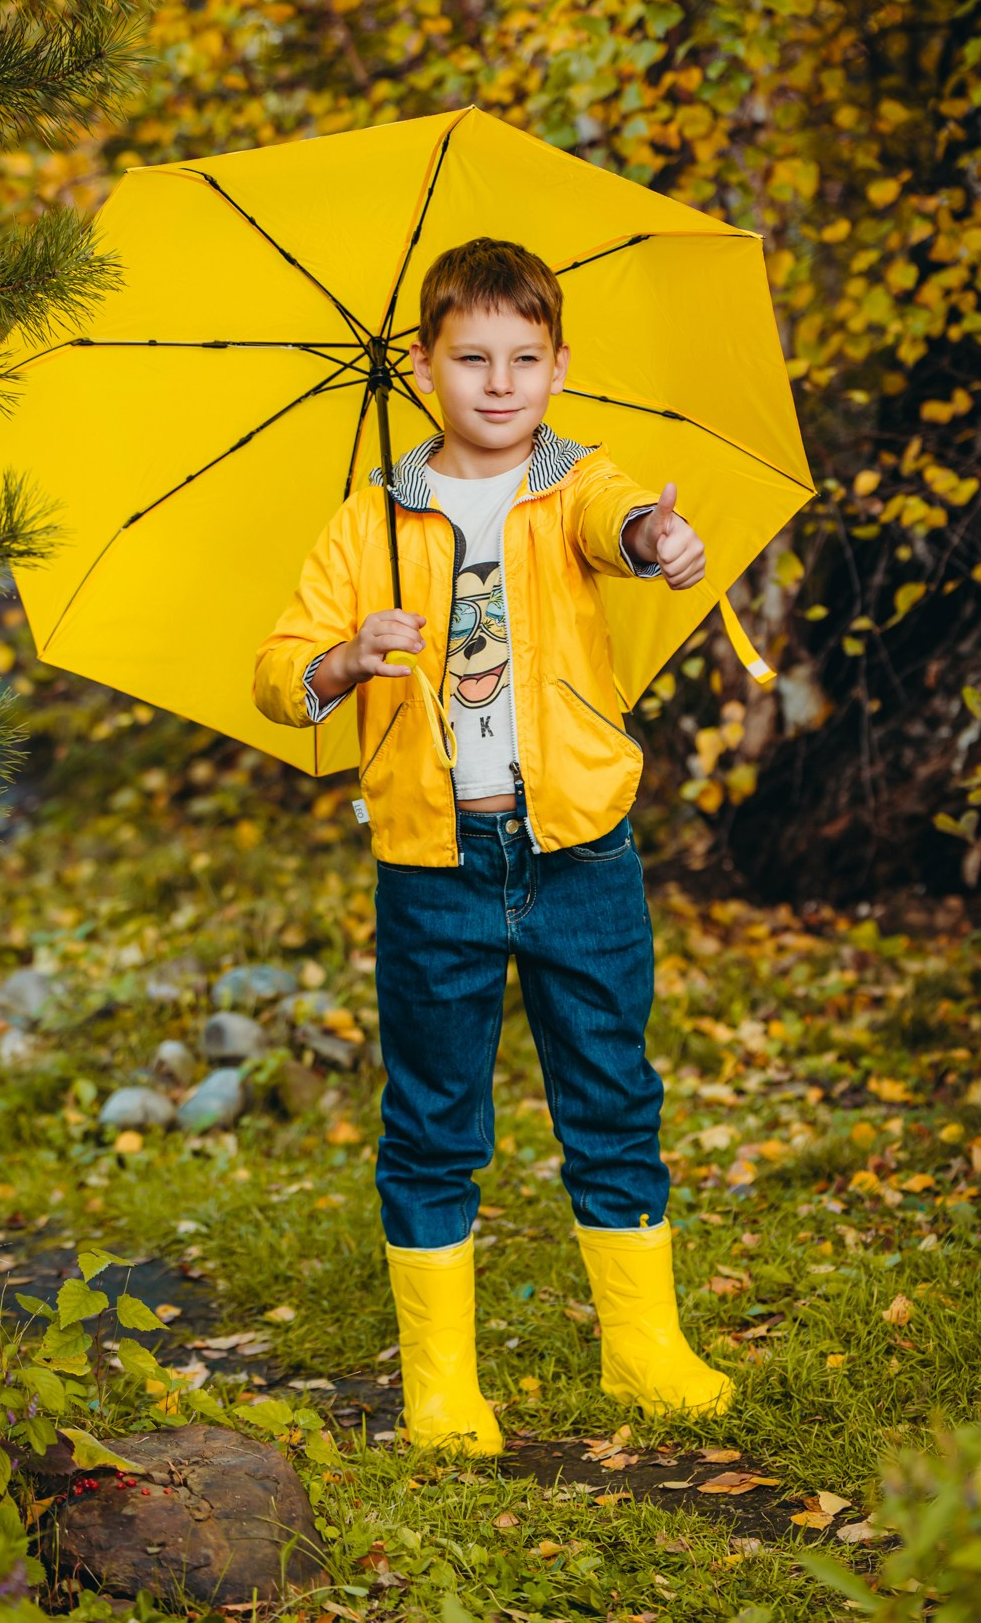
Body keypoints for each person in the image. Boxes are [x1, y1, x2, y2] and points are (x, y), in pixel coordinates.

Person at [253, 237, 732, 1454]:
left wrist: (658, 544)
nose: (500, 383)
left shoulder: (574, 484)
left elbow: (621, 526)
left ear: (559, 367)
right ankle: (441, 1381)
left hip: (579, 853)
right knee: (433, 1116)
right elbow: (275, 671)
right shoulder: (371, 521)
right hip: (434, 867)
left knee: (612, 1090)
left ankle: (642, 1349)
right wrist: (345, 658)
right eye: (472, 358)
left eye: (524, 358)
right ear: (424, 371)